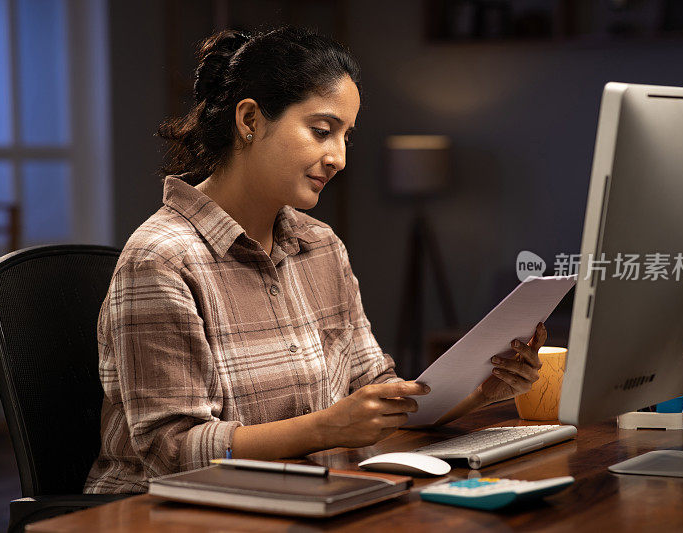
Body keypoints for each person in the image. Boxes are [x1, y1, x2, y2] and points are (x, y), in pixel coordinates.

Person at [84, 26, 546, 494]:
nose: (339, 158)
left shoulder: (321, 246)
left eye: (346, 136)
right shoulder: (161, 259)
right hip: (167, 513)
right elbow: (172, 452)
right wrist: (326, 428)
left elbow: (377, 390)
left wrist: (482, 391)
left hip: (299, 495)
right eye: (322, 131)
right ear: (250, 121)